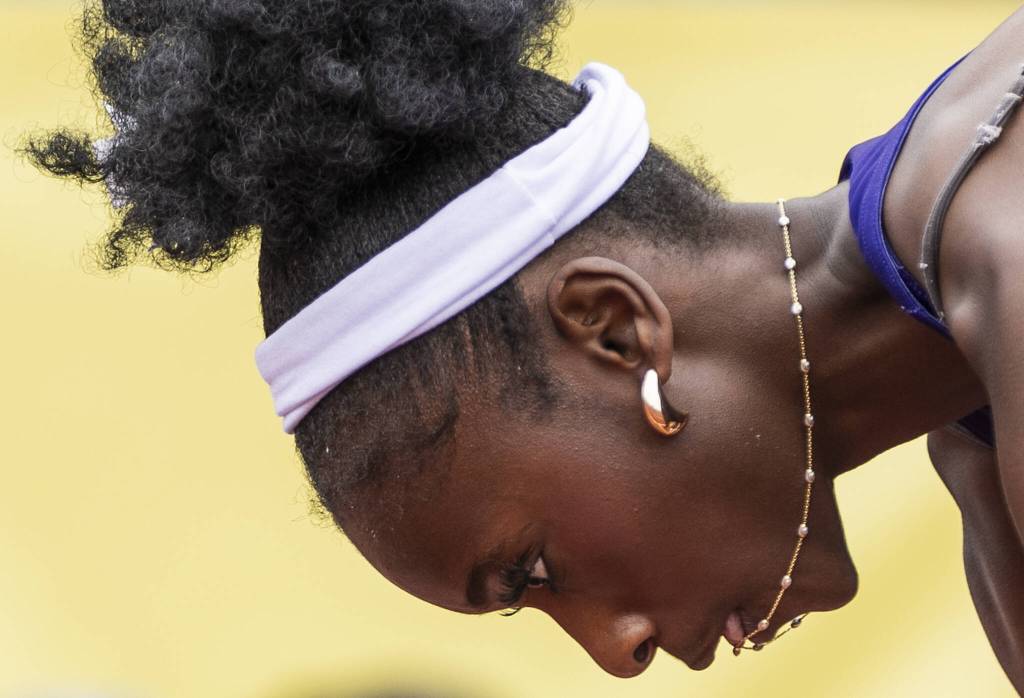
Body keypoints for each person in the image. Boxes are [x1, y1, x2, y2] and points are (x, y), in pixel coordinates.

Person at [22, 0, 1024, 690]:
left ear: (615, 327)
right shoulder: (973, 428)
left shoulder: (1004, 245)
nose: (616, 650)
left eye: (535, 571)